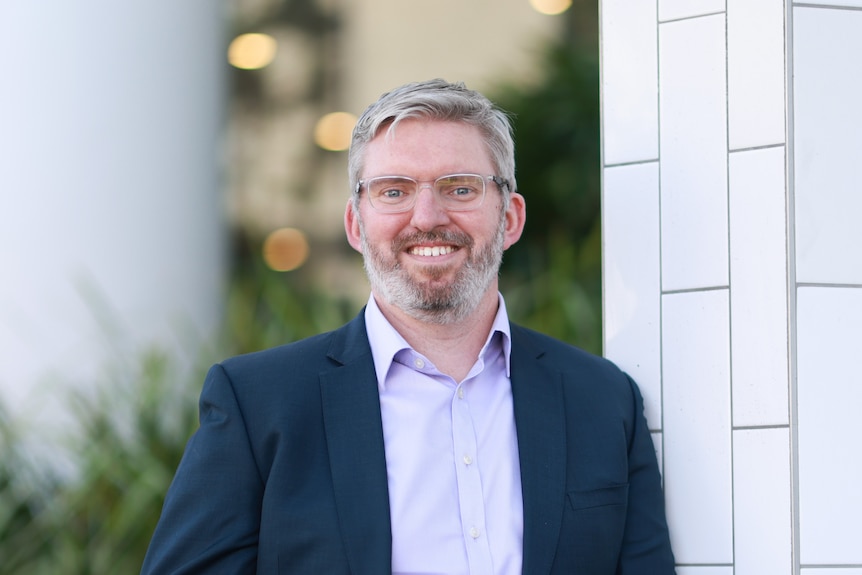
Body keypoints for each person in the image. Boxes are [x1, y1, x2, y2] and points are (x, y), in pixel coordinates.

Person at [141, 79, 675, 574]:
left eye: (460, 188)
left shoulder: (604, 401)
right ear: (356, 223)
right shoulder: (259, 405)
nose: (426, 217)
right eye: (394, 191)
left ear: (509, 217)